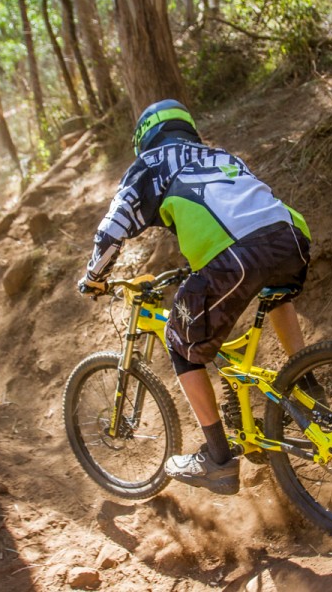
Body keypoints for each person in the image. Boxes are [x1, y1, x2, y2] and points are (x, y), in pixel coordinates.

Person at [77, 99, 312, 495]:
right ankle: (309, 390)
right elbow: (238, 206)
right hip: (291, 236)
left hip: (237, 254)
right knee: (275, 295)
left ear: (144, 138)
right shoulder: (216, 154)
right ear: (187, 128)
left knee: (180, 341)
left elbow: (113, 226)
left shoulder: (150, 164)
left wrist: (94, 278)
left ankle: (217, 459)